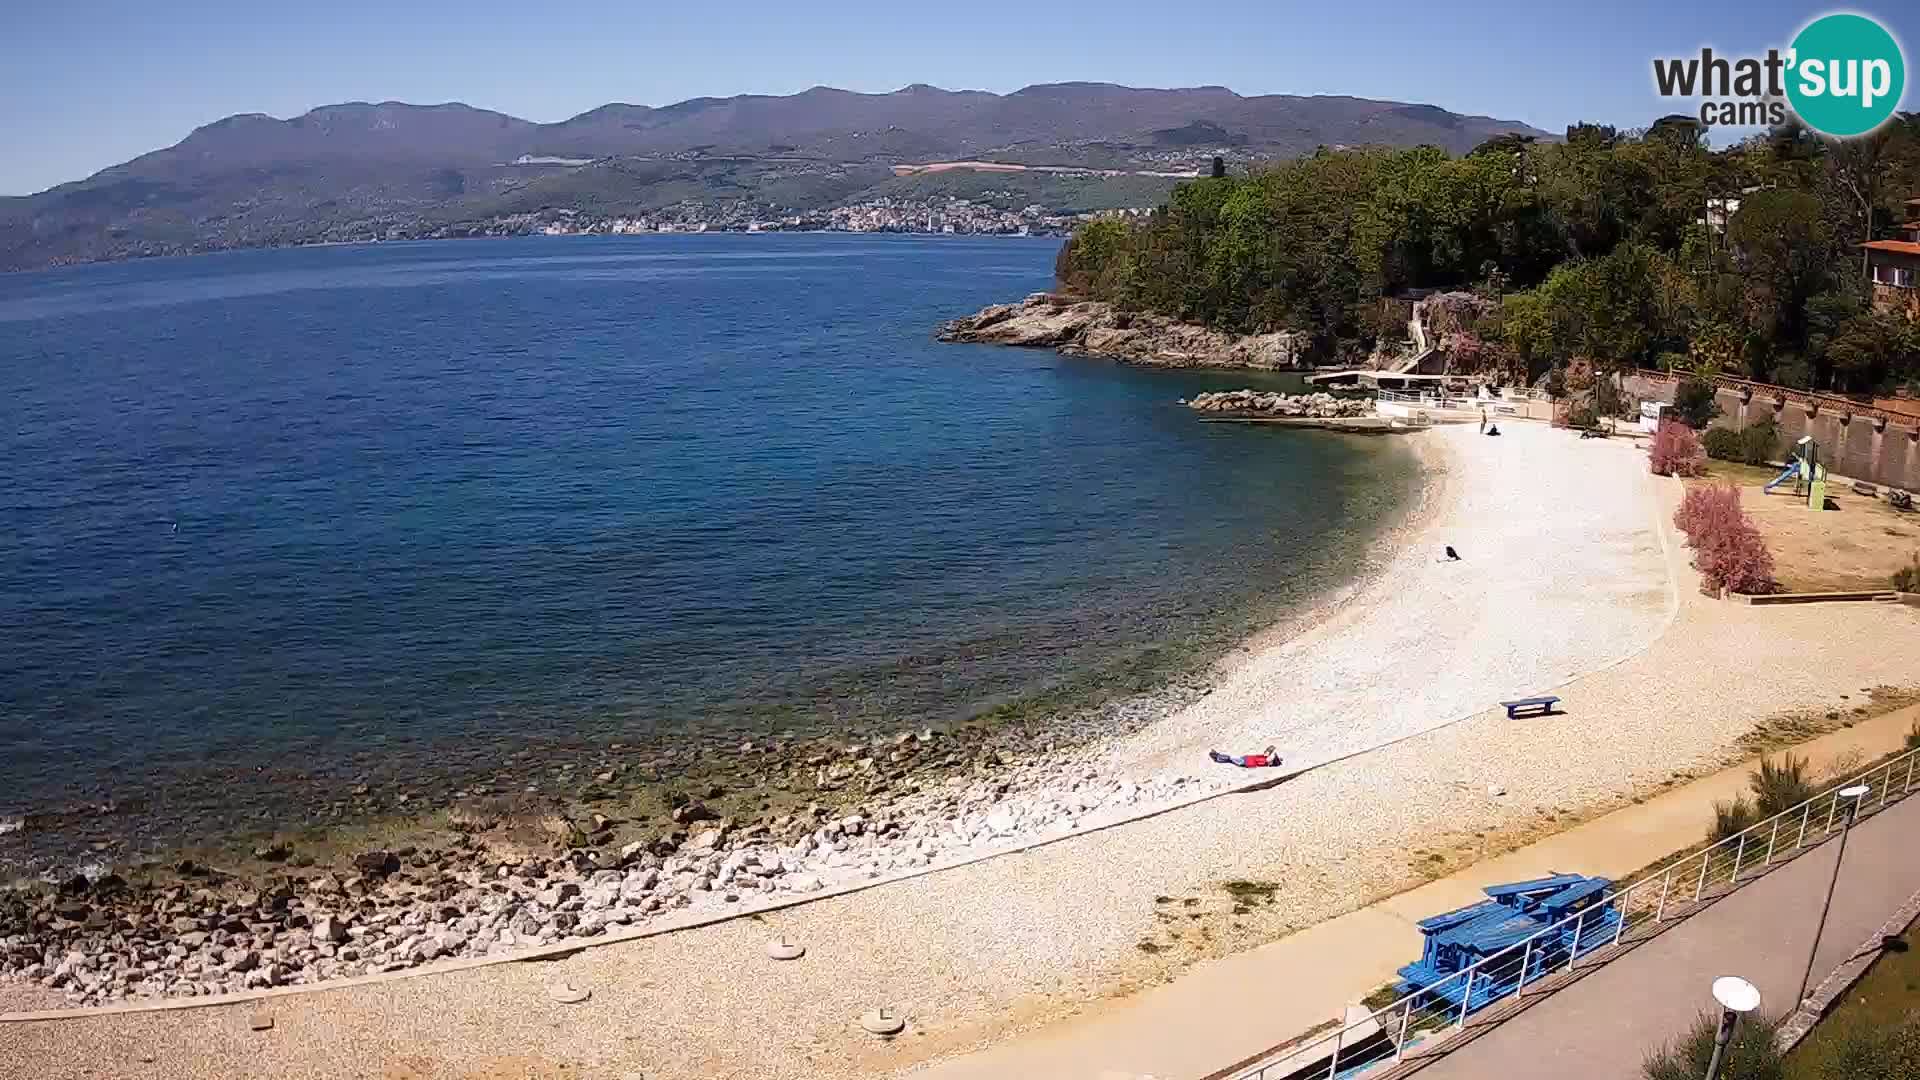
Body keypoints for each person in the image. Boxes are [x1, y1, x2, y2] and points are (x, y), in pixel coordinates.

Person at [1209, 745, 1282, 768]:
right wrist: (1270, 752)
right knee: (1229, 760)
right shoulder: (1265, 759)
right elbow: (1265, 754)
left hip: (1244, 762)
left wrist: (1270, 755)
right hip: (1245, 760)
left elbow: (1265, 758)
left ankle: (1216, 755)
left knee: (1230, 757)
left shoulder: (1264, 761)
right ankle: (1217, 759)